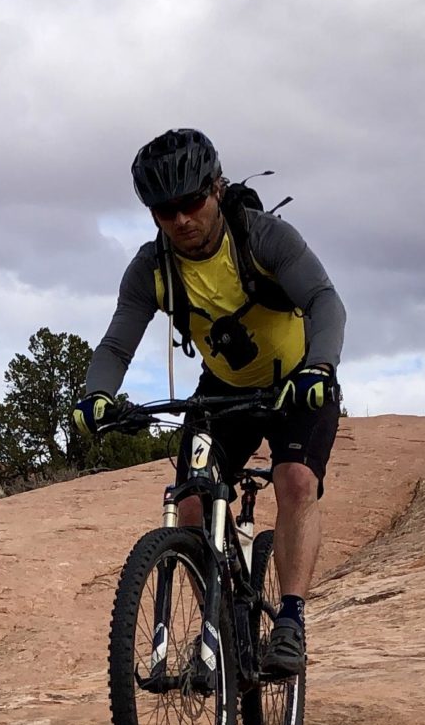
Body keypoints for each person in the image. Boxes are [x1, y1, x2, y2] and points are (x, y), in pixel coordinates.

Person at [71, 127, 346, 676]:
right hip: (224, 389)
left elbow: (324, 300)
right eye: (164, 209)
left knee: (294, 479)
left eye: (191, 202)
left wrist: (321, 366)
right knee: (191, 504)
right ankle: (222, 625)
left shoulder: (265, 239)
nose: (180, 219)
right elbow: (117, 342)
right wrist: (95, 396)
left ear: (216, 189)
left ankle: (289, 622)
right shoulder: (152, 269)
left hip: (298, 382)